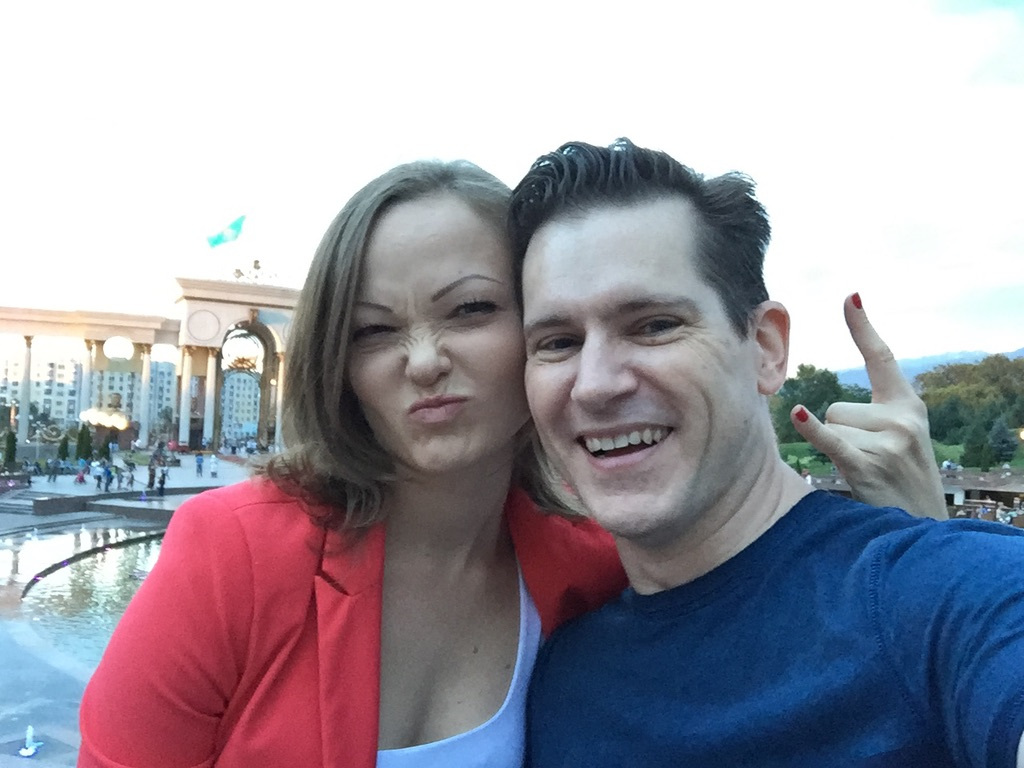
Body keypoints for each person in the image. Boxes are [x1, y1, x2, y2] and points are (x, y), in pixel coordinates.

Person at [78, 158, 946, 768]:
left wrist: (919, 542)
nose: (424, 361)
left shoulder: (593, 572)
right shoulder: (232, 556)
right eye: (375, 330)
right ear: (337, 365)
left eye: (469, 311)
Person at [509, 139, 1024, 767]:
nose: (594, 385)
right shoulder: (559, 680)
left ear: (766, 349)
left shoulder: (937, 596)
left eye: (655, 325)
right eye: (558, 342)